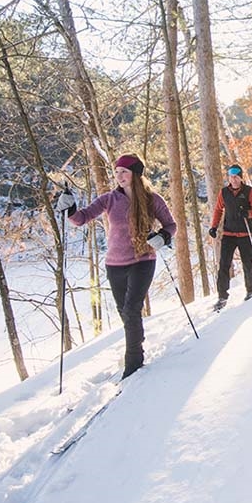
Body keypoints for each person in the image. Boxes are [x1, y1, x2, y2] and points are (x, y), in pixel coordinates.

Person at [53, 153, 175, 379]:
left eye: (124, 172)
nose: (119, 176)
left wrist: (162, 237)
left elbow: (171, 225)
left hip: (143, 260)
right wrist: (69, 207)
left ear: (136, 174)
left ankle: (133, 363)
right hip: (115, 264)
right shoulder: (109, 199)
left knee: (131, 309)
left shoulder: (152, 199)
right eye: (117, 172)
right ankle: (136, 342)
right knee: (125, 313)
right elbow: (81, 218)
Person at [208, 164, 252, 311]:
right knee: (224, 264)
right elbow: (218, 210)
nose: (233, 180)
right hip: (228, 233)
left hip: (245, 233)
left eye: (236, 177)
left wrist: (248, 213)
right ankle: (222, 296)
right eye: (231, 177)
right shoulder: (224, 193)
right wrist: (213, 227)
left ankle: (250, 291)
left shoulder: (249, 192)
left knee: (247, 263)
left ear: (240, 177)